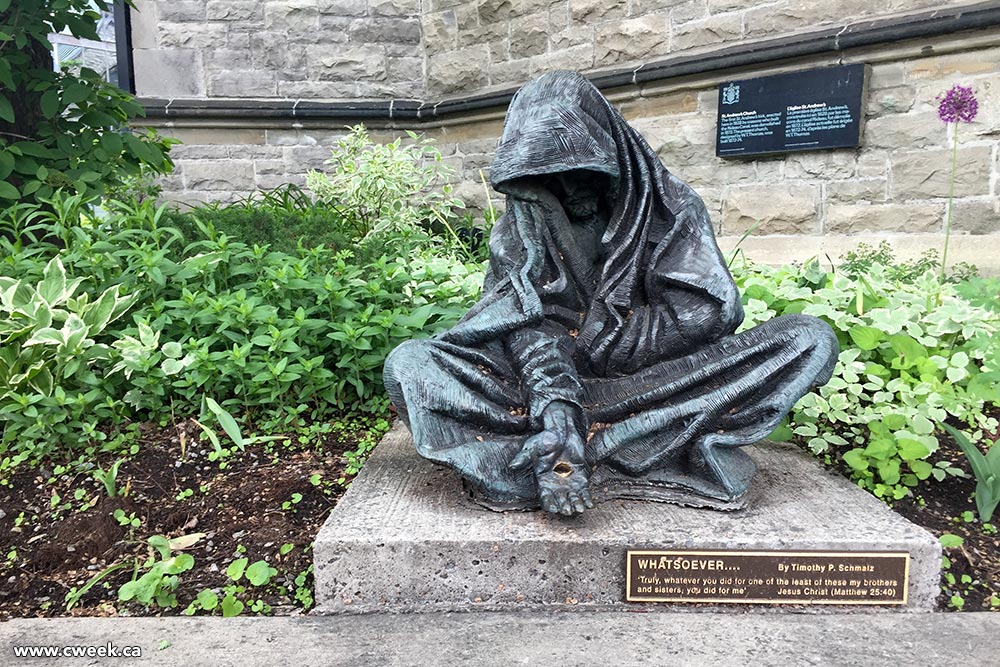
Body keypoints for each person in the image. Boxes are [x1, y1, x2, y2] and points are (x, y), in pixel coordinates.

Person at [384, 71, 838, 516]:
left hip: (657, 383)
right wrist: (557, 403)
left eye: (585, 169)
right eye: (553, 175)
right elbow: (525, 325)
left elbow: (703, 315)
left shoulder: (674, 210)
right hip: (548, 383)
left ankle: (584, 450)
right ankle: (561, 445)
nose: (573, 186)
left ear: (613, 154)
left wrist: (601, 339)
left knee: (807, 339)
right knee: (411, 365)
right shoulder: (524, 224)